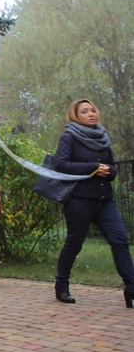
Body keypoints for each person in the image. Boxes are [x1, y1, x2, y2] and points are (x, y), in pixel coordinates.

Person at [53, 99, 134, 307]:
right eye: (85, 111)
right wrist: (93, 167)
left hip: (105, 200)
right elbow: (61, 164)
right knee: (74, 243)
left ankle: (131, 287)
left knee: (120, 240)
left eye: (93, 110)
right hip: (80, 199)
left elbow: (113, 169)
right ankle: (61, 285)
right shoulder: (69, 137)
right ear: (75, 116)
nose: (91, 114)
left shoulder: (103, 138)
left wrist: (109, 171)